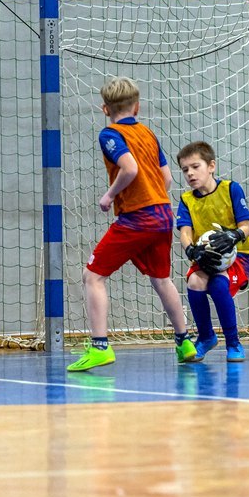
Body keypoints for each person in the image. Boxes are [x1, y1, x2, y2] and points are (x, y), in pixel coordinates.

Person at [68, 77, 197, 371]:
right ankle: (184, 341)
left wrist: (109, 195)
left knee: (92, 276)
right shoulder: (148, 133)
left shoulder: (110, 134)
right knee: (161, 279)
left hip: (138, 217)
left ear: (105, 109)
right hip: (163, 214)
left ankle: (100, 346)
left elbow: (130, 168)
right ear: (137, 107)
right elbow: (166, 179)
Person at [175, 141, 249, 362]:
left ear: (211, 166)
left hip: (238, 254)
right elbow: (185, 233)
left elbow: (246, 227)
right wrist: (192, 251)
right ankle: (206, 337)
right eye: (185, 169)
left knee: (219, 284)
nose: (190, 173)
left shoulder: (231, 189)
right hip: (206, 255)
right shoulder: (186, 200)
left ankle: (233, 342)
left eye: (195, 167)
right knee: (195, 282)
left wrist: (233, 236)